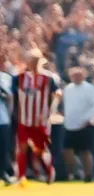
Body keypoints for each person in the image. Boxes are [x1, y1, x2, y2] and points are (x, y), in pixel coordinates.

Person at [14, 48, 60, 185]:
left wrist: (50, 111)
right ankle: (21, 177)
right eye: (30, 59)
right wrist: (16, 113)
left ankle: (49, 171)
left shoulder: (49, 78)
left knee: (40, 150)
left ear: (40, 61)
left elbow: (58, 94)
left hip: (40, 121)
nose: (32, 62)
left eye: (35, 60)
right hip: (24, 120)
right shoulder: (19, 78)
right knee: (21, 147)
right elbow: (14, 96)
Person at [61, 67, 94, 181]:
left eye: (78, 75)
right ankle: (71, 174)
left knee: (85, 151)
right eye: (73, 75)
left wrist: (88, 119)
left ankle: (88, 175)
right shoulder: (68, 89)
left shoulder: (89, 89)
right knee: (67, 150)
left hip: (84, 124)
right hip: (70, 124)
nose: (76, 78)